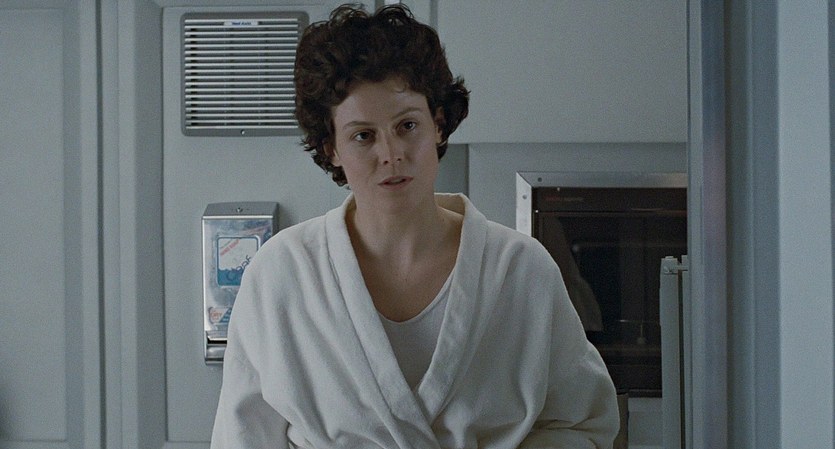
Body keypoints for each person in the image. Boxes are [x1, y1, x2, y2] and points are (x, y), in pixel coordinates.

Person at [210, 4, 619, 448]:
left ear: (438, 125)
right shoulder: (281, 275)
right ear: (331, 149)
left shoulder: (521, 271)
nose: (391, 154)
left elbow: (582, 425)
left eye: (407, 126)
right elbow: (242, 439)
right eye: (363, 136)